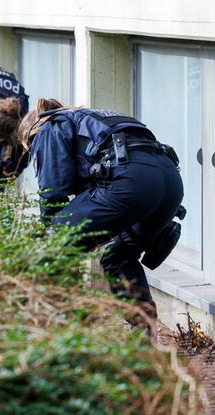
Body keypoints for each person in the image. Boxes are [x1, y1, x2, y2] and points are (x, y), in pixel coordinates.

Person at [19, 98, 185, 330]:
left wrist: (49, 232)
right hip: (170, 185)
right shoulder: (94, 118)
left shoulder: (49, 126)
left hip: (130, 183)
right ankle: (144, 338)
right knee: (119, 258)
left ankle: (65, 331)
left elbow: (53, 191)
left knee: (54, 245)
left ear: (30, 134)